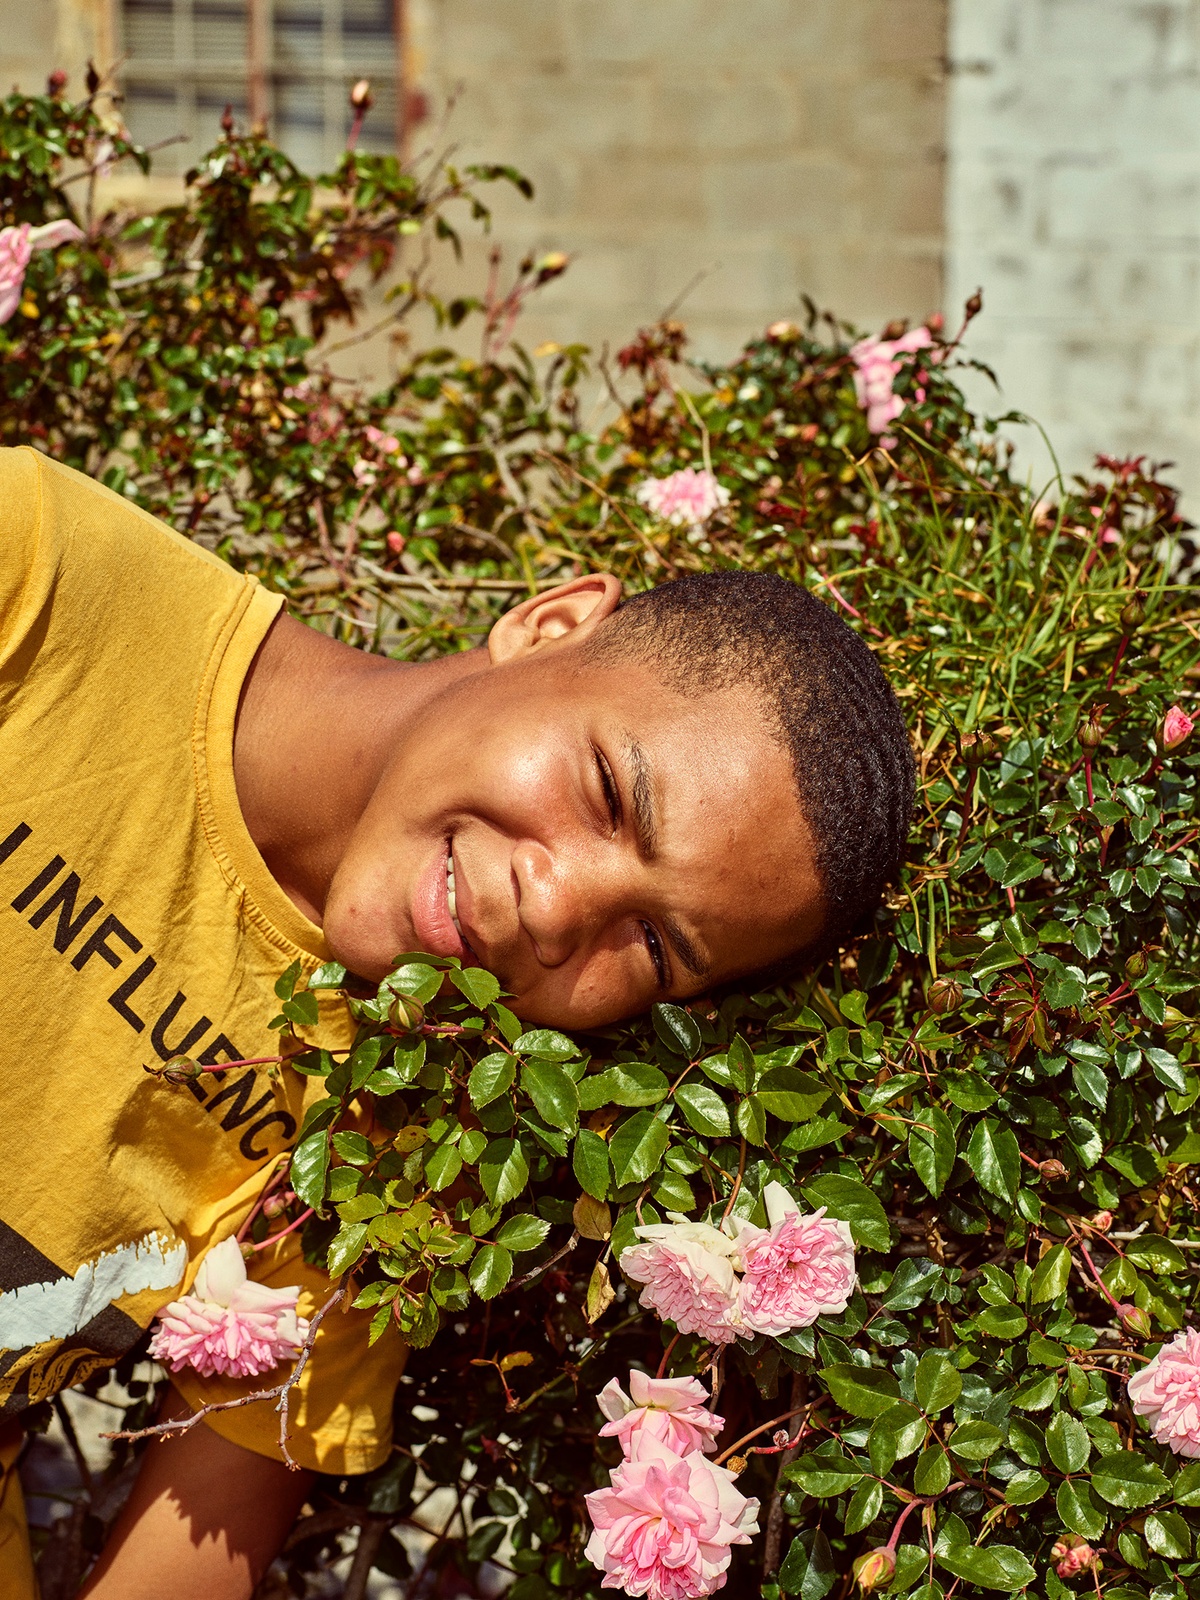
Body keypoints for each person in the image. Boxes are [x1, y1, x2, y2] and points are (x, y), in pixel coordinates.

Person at [0, 446, 913, 1598]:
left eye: (653, 947)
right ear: (549, 624)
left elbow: (193, 1544)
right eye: (609, 792)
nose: (558, 908)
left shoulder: (398, 1144)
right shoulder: (42, 578)